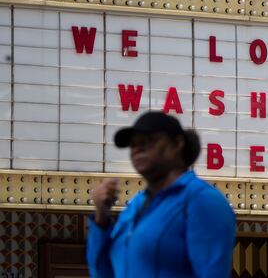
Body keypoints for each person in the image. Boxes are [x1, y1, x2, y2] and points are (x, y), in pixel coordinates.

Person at [86, 111, 236, 278]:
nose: (137, 148)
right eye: (133, 144)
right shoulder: (136, 205)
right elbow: (103, 273)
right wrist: (101, 218)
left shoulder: (202, 200)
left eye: (149, 140)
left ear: (177, 143)